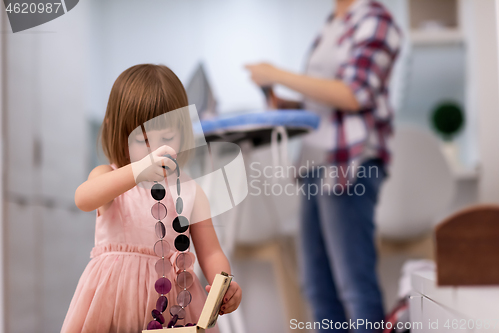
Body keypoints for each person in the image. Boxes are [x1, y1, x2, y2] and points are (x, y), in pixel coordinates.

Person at [245, 0, 402, 332]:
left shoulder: (375, 19)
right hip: (316, 162)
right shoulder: (333, 23)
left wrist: (277, 73)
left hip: (350, 161)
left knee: (354, 285)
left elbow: (354, 93)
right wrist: (285, 102)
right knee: (318, 287)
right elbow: (325, 98)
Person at [61, 64, 242, 333]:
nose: (156, 149)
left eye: (167, 137)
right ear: (120, 134)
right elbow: (83, 198)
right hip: (114, 303)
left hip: (175, 305)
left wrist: (224, 286)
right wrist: (136, 171)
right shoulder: (109, 177)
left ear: (183, 132)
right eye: (143, 140)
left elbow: (212, 251)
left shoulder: (191, 190)